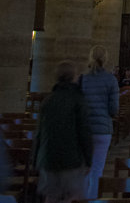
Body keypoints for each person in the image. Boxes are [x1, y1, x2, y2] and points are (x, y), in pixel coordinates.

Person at [34, 61, 93, 203]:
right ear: (73, 77)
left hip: (48, 158)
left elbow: (40, 133)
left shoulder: (48, 100)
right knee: (72, 196)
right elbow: (84, 132)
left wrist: (36, 158)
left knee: (51, 195)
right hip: (70, 158)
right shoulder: (77, 99)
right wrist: (88, 159)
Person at [79, 45, 119, 199]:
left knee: (83, 168)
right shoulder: (111, 79)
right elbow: (113, 109)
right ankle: (92, 198)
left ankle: (80, 199)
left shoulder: (83, 79)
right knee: (97, 170)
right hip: (102, 130)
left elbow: (79, 105)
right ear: (106, 59)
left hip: (85, 129)